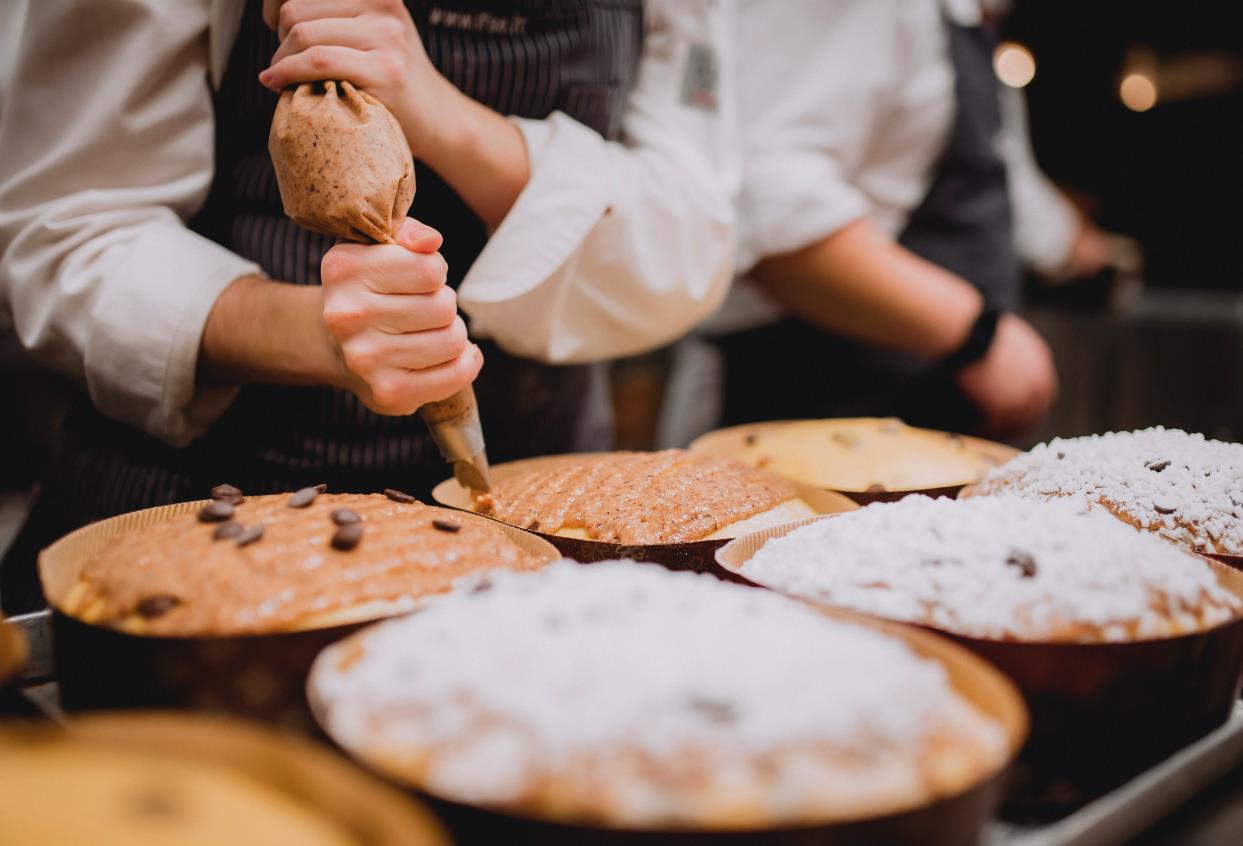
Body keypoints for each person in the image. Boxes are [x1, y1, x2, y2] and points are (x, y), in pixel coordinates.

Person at [0, 0, 737, 612]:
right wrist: (307, 332)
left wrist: (435, 109)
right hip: (207, 527)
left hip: (547, 512)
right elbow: (56, 228)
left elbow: (690, 248)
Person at [665, 0, 1058, 447]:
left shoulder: (962, 26)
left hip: (910, 411)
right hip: (802, 400)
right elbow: (769, 198)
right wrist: (979, 338)